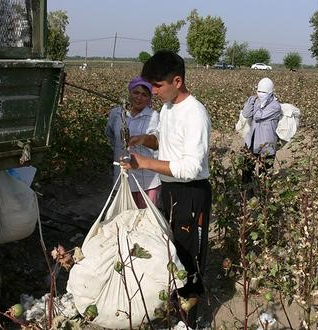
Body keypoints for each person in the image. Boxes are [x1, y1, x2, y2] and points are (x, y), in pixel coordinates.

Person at [121, 50, 211, 329]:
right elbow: (165, 140)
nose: (153, 92)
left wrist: (144, 163)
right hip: (171, 190)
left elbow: (191, 167)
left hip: (191, 192)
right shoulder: (170, 109)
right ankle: (175, 309)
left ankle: (189, 320)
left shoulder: (195, 113)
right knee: (172, 251)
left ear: (177, 81)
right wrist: (145, 139)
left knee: (189, 256)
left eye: (158, 86)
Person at [105, 76, 161, 209]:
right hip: (122, 175)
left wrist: (142, 139)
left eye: (144, 95)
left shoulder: (154, 116)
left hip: (148, 178)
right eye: (136, 93)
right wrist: (120, 149)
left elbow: (158, 142)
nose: (139, 98)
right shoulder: (117, 113)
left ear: (149, 98)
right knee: (124, 217)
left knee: (146, 219)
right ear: (130, 93)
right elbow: (110, 134)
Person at [241, 77, 281, 195]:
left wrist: (256, 105)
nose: (260, 94)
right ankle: (247, 195)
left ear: (270, 93)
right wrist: (251, 100)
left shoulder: (275, 106)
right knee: (247, 170)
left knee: (265, 173)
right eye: (259, 91)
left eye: (264, 92)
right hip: (251, 141)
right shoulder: (256, 100)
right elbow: (246, 114)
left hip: (266, 145)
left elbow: (258, 115)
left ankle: (264, 197)